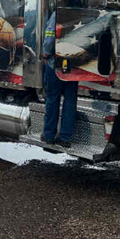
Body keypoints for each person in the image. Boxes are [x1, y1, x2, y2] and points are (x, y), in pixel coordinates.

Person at [41, 11, 78, 148]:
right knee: (70, 100)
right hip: (73, 64)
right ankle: (65, 138)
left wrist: (45, 53)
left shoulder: (58, 13)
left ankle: (49, 135)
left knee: (52, 99)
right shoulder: (79, 13)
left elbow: (50, 36)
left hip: (55, 64)